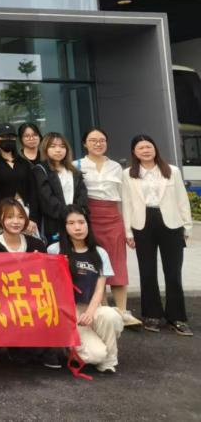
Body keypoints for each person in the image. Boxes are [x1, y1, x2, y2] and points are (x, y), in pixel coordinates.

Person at [122, 134, 193, 336]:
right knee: (147, 271)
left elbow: (181, 199)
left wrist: (187, 227)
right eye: (141, 148)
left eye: (149, 146)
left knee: (173, 272)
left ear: (155, 149)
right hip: (142, 224)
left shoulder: (172, 171)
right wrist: (128, 231)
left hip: (171, 224)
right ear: (134, 152)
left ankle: (177, 317)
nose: (145, 150)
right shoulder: (128, 174)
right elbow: (127, 203)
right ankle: (151, 314)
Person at [48, 207, 124, 372]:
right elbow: (50, 286)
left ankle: (109, 361)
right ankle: (69, 348)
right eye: (71, 223)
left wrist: (90, 312)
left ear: (87, 224)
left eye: (81, 222)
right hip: (68, 312)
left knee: (111, 316)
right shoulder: (54, 250)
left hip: (92, 308)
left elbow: (100, 289)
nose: (77, 227)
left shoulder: (100, 252)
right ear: (64, 227)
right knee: (95, 355)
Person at [77, 128, 138, 327]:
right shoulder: (77, 165)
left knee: (118, 264)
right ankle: (103, 310)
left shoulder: (116, 167)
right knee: (96, 264)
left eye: (102, 140)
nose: (98, 144)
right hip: (89, 218)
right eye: (93, 140)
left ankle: (122, 311)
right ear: (85, 143)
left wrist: (127, 229)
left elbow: (124, 199)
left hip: (113, 218)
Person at [34, 132, 88, 244]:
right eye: (53, 146)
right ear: (45, 149)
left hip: (76, 222)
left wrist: (76, 214)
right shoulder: (41, 170)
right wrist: (67, 215)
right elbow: (47, 198)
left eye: (62, 146)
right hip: (54, 223)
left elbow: (82, 194)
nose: (58, 150)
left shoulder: (73, 170)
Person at [0, 124, 40, 237]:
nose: (8, 140)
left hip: (26, 213)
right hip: (2, 214)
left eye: (11, 137)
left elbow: (33, 191)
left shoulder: (23, 163)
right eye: (4, 137)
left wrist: (33, 218)